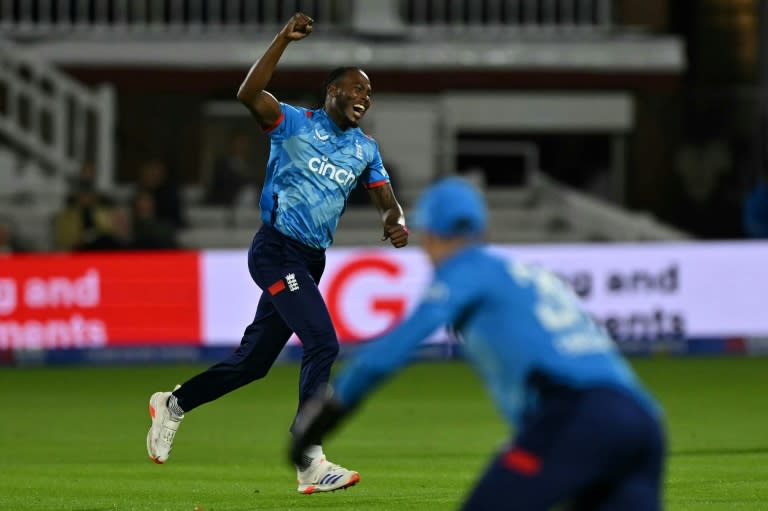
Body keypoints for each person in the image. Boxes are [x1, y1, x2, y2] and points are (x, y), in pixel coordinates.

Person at [145, 12, 409, 495]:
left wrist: (395, 220)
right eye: (356, 89)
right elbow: (248, 95)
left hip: (310, 260)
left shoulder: (365, 149)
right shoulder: (292, 123)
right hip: (275, 250)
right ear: (332, 92)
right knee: (324, 343)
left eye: (369, 93)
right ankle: (309, 457)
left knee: (254, 363)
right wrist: (282, 39)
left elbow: (386, 200)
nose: (364, 98)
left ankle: (174, 403)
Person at [291, 178, 666, 510]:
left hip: (576, 416)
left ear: (432, 235)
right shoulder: (522, 274)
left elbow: (391, 350)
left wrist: (328, 412)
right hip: (642, 419)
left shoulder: (463, 271)